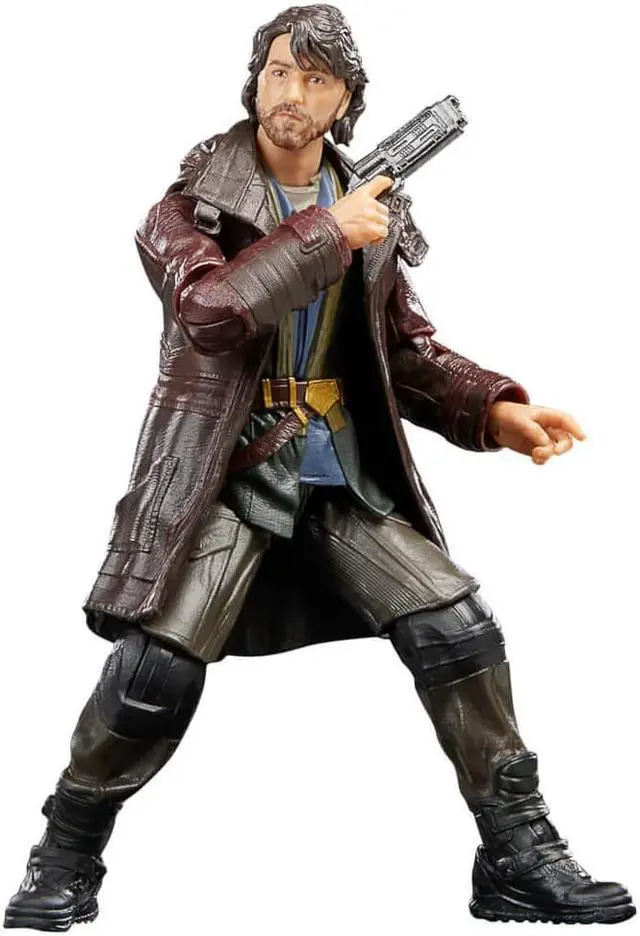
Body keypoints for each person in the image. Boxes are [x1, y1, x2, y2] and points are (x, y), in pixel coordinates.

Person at [4, 3, 635, 930]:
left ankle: (518, 854)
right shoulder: (189, 209)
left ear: (345, 100)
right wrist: (328, 232)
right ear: (252, 81)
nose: (291, 93)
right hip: (221, 477)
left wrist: (495, 410)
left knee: (458, 628)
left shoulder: (365, 207)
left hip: (335, 471)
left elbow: (401, 349)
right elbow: (212, 314)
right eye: (277, 71)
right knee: (155, 674)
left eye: (315, 77)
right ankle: (63, 854)